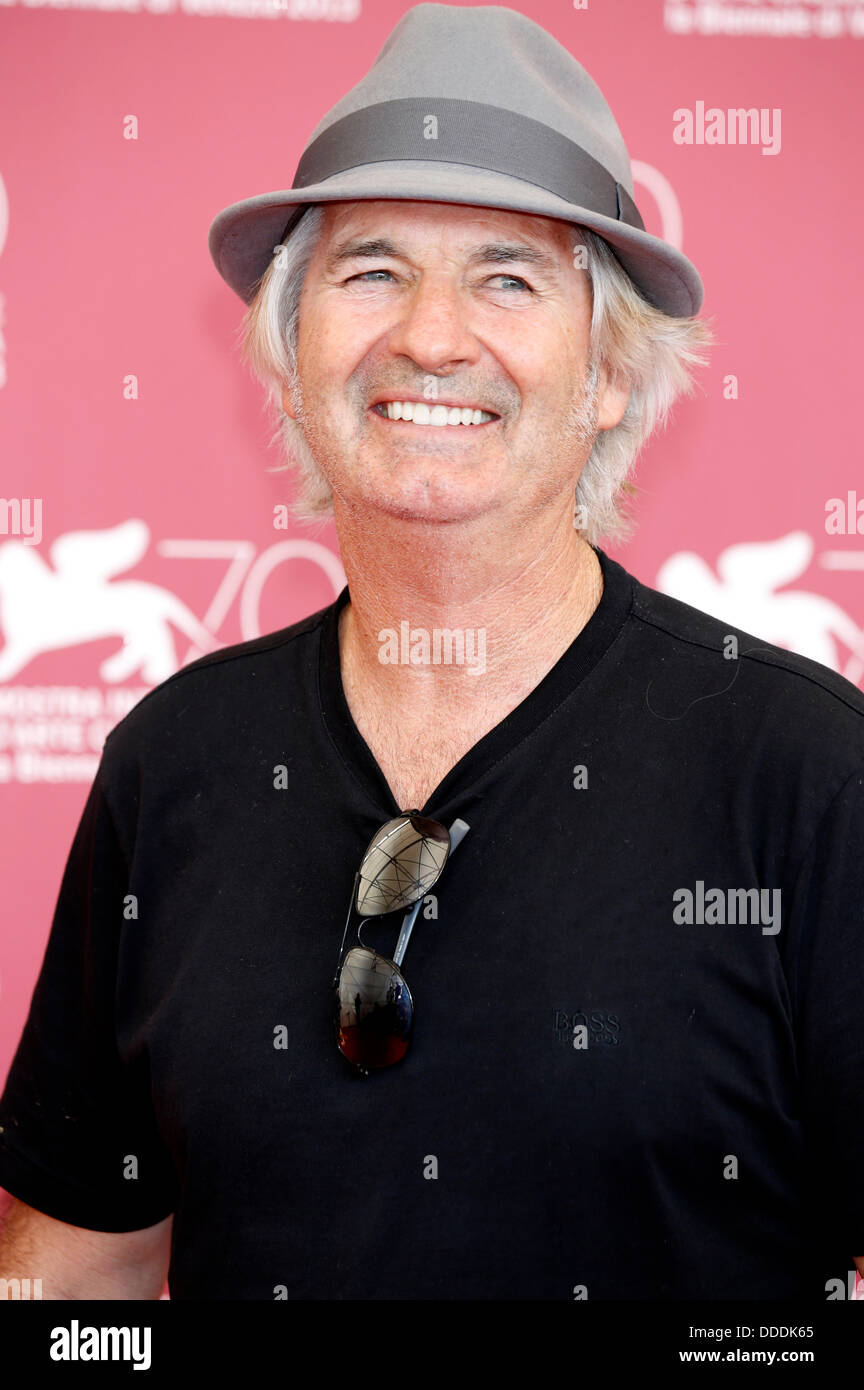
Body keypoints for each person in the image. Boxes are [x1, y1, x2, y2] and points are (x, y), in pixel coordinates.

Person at [1, 2, 862, 1301]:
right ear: (290, 361)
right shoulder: (172, 764)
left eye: (508, 274)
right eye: (373, 270)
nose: (433, 336)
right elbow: (80, 1285)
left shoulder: (809, 774)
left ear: (611, 372)